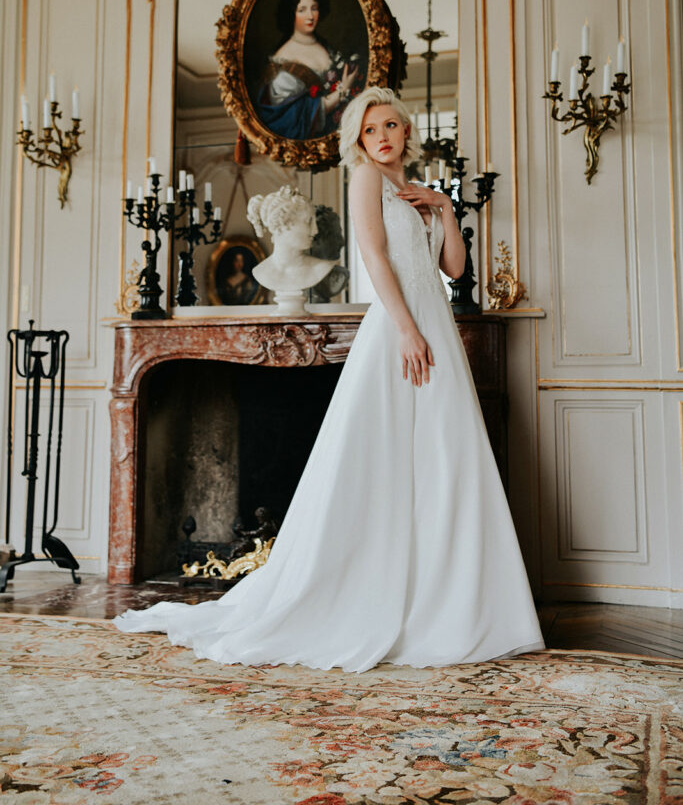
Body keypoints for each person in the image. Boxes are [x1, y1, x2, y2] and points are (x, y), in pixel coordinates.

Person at [114, 87, 545, 671]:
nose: (382, 137)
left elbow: (454, 269)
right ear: (359, 141)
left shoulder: (411, 188)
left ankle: (448, 602)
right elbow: (374, 257)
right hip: (400, 329)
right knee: (387, 461)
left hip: (434, 323)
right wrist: (406, 331)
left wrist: (443, 208)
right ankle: (378, 595)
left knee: (445, 456)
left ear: (406, 131)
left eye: (391, 125)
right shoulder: (367, 180)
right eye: (370, 131)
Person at [256, 0, 361, 140]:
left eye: (314, 8)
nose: (310, 16)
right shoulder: (285, 57)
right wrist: (342, 91)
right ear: (291, 13)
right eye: (302, 10)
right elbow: (293, 116)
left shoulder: (325, 45)